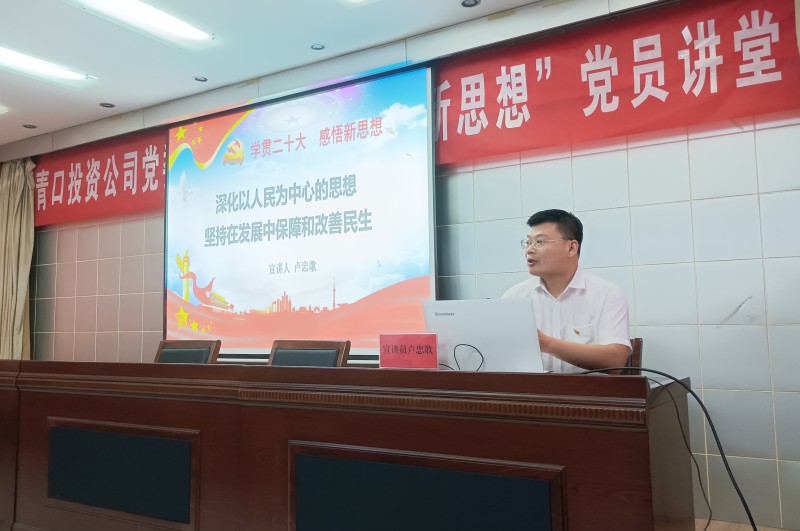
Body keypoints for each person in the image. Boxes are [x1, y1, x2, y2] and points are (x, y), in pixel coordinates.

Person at [501, 209, 631, 373]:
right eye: (528, 243)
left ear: (571, 248)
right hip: (529, 388)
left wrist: (546, 344)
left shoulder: (607, 294)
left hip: (589, 389)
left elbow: (615, 360)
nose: (529, 250)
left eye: (539, 242)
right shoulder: (514, 297)